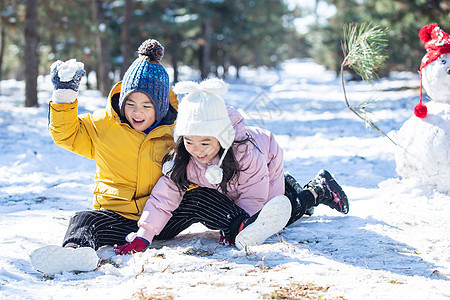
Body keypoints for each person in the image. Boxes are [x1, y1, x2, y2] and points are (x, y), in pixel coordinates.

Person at [115, 78, 349, 254]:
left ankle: (318, 190)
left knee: (270, 222)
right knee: (252, 209)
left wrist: (238, 227)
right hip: (228, 182)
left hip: (266, 163)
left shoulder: (246, 153)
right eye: (189, 141)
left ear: (222, 137)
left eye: (205, 142)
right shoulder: (185, 159)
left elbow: (253, 199)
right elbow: (163, 198)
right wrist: (144, 235)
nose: (197, 150)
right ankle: (292, 189)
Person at [30, 39, 178, 275]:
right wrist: (65, 97)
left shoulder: (175, 132)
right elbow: (66, 135)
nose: (137, 112)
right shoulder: (104, 126)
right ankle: (74, 253)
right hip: (119, 217)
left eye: (146, 106)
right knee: (84, 219)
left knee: (201, 198)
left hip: (165, 217)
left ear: (160, 107)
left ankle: (241, 225)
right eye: (130, 103)